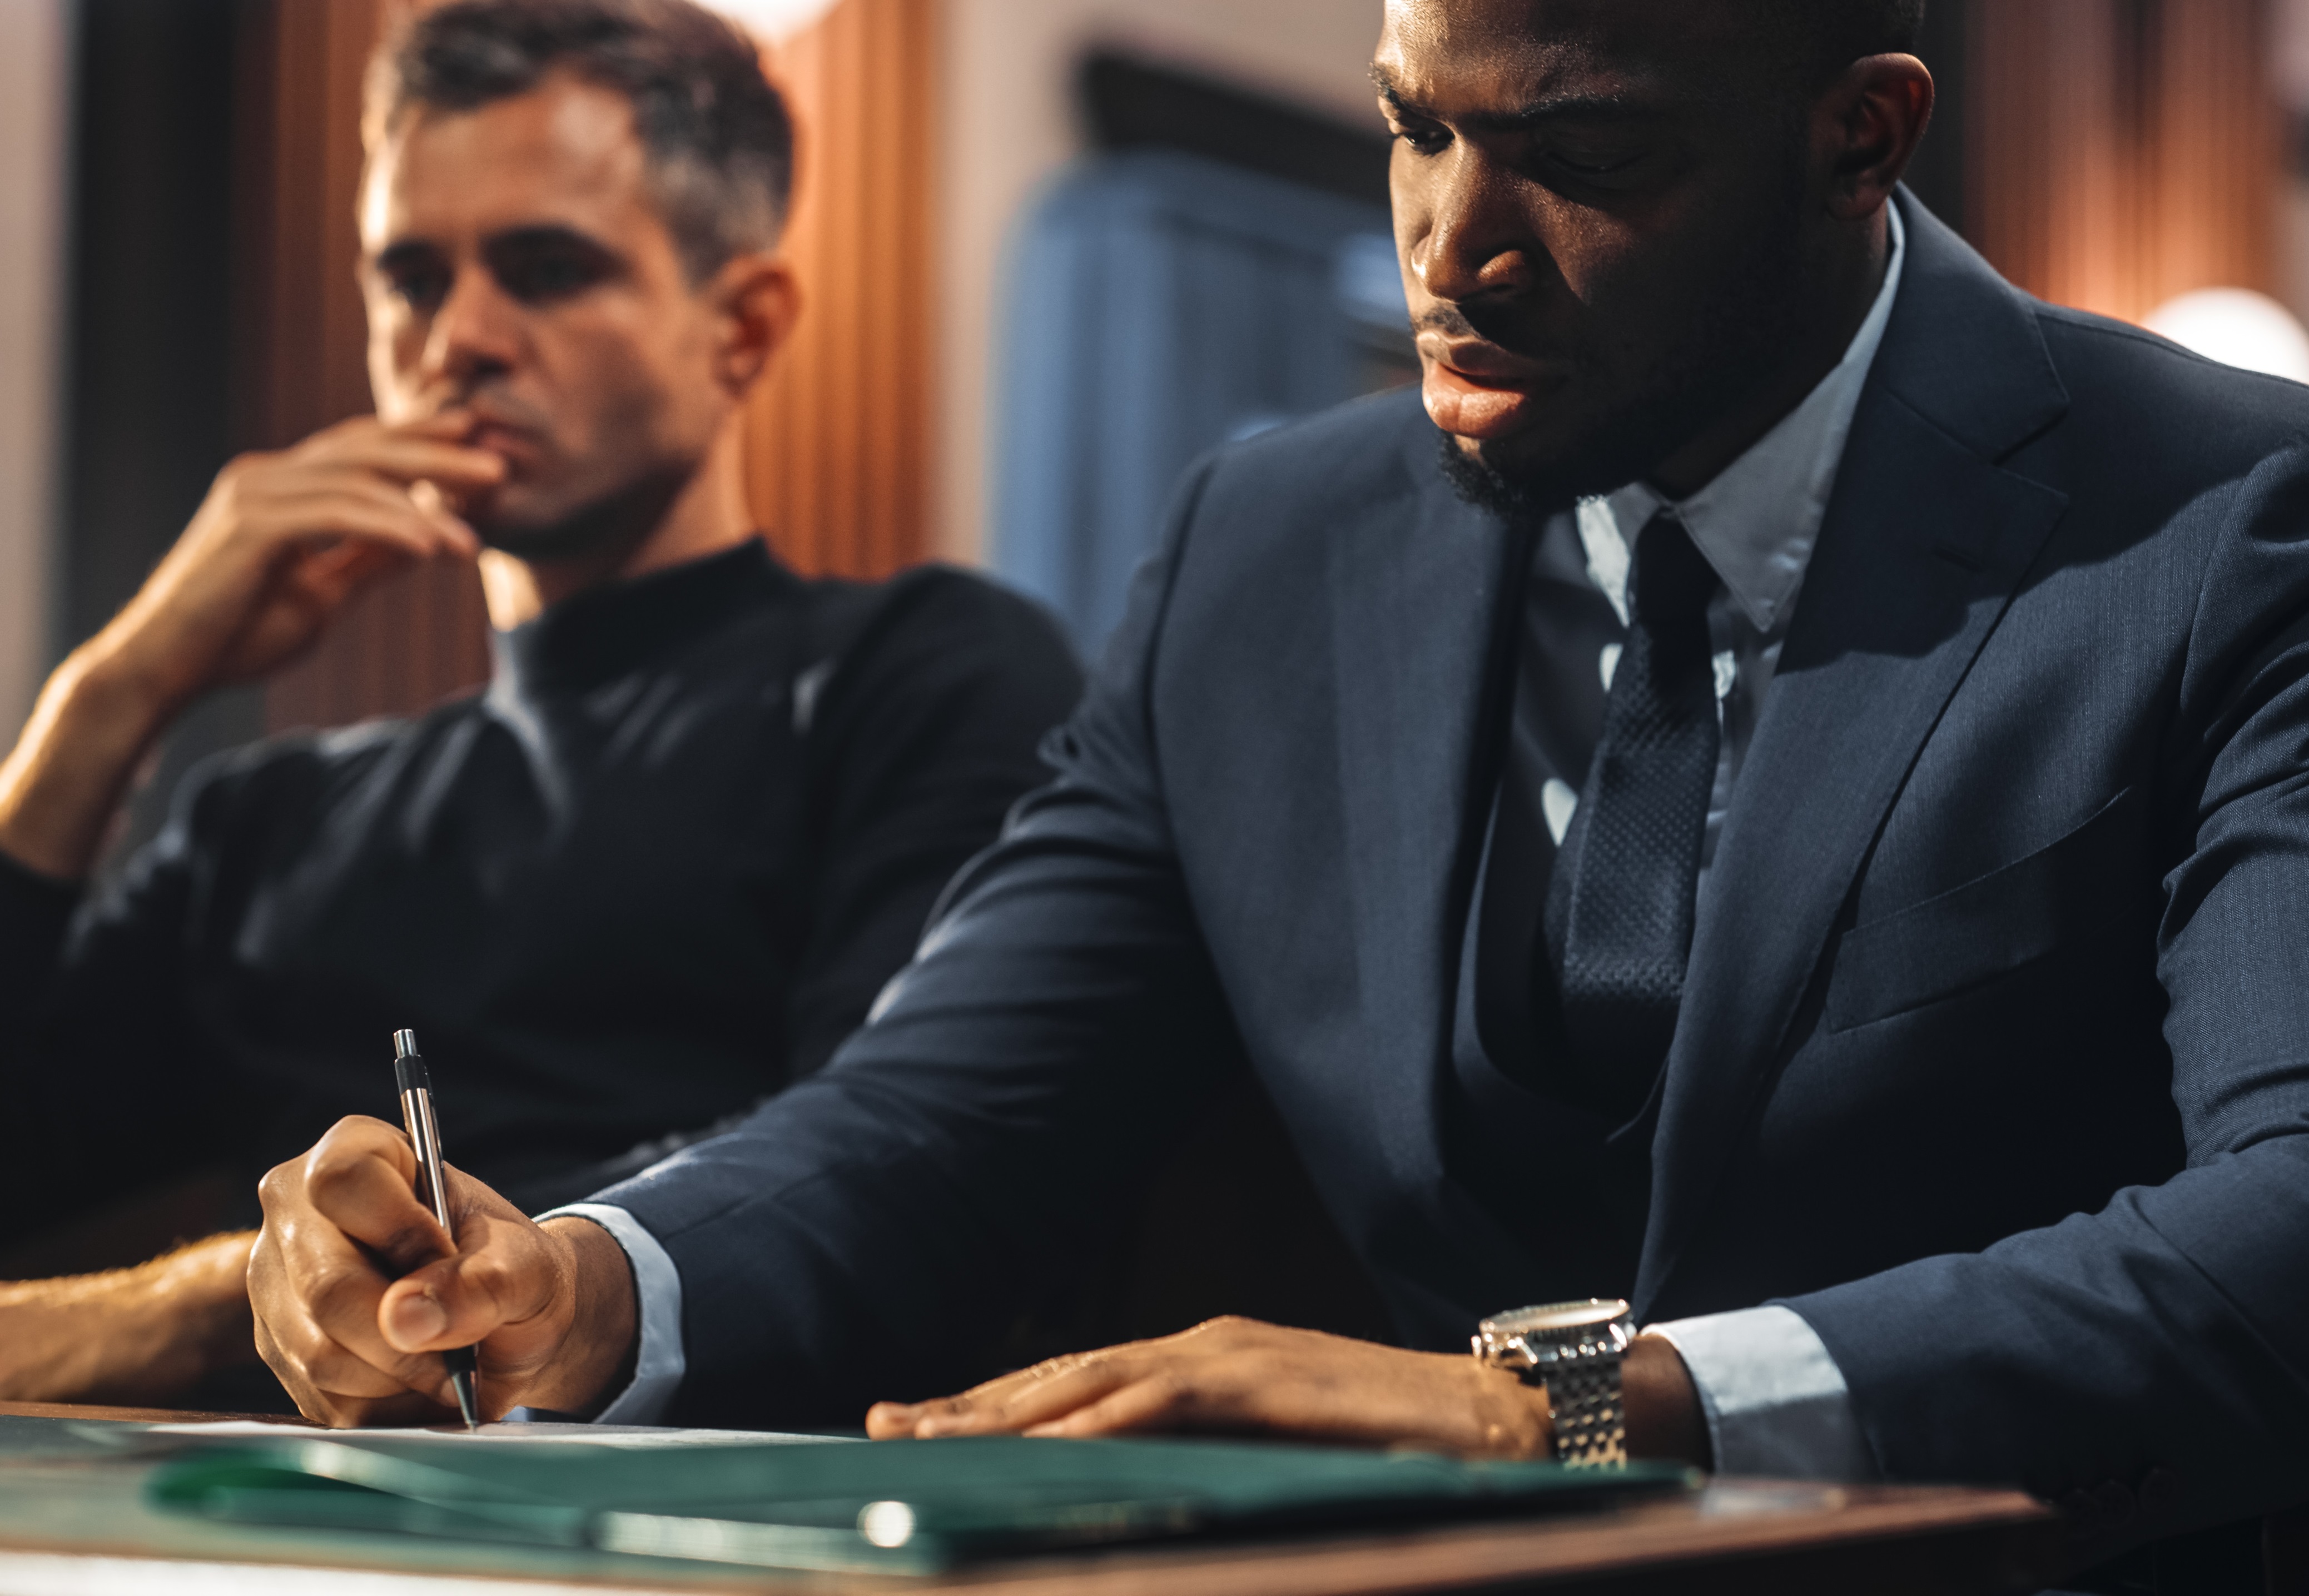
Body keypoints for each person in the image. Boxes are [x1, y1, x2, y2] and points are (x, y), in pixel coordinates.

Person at [254, 0, 2309, 1583]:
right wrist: (583, 1285)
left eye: (1582, 155)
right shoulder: (1265, 546)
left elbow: (2284, 1227)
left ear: (1855, 137)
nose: (1448, 245)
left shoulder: (2223, 520)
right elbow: (950, 1109)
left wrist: (1562, 1410)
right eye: (1414, 125)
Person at [0, 0, 1079, 1407]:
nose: (458, 339)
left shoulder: (921, 674)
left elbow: (893, 1165)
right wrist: (109, 693)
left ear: (743, 326)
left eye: (546, 268)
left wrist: (225, 1310)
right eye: (411, 277)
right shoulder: (267, 819)